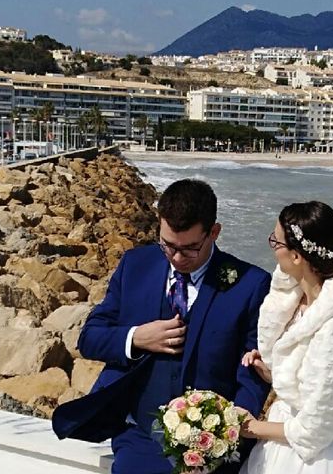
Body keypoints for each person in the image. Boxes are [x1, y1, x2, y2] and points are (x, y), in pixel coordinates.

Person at [52, 179, 271, 474]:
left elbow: (254, 365)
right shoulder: (135, 265)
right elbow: (90, 338)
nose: (177, 258)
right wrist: (136, 338)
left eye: (190, 248)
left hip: (212, 446)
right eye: (168, 245)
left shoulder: (251, 284)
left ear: (214, 232)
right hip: (140, 435)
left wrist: (236, 423)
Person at [239, 201, 333, 474]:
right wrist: (269, 367)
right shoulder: (298, 300)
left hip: (313, 460)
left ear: (298, 257)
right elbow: (304, 381)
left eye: (275, 242)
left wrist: (248, 427)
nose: (273, 249)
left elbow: (316, 430)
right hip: (282, 441)